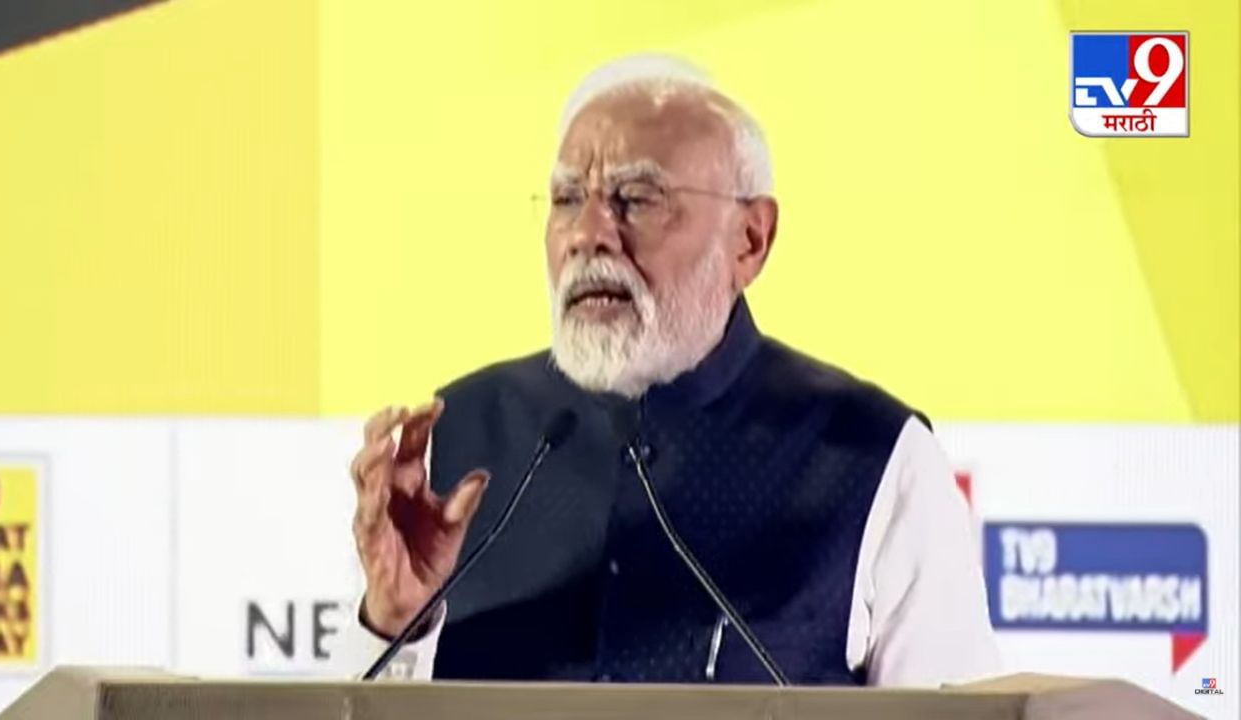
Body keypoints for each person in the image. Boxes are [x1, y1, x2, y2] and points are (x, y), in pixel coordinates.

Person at [331, 55, 999, 686]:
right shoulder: (456, 443)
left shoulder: (872, 457)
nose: (587, 234)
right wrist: (391, 624)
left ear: (750, 239)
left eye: (636, 198)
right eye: (566, 198)